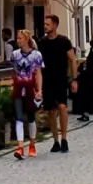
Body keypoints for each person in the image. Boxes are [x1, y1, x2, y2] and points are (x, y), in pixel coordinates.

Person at [37, 15, 76, 153]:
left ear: (55, 25)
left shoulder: (64, 41)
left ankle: (64, 138)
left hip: (61, 78)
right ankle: (55, 141)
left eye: (47, 24)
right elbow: (38, 64)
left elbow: (72, 59)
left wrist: (74, 79)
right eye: (44, 24)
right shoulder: (42, 42)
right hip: (48, 80)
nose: (45, 26)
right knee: (51, 111)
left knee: (62, 106)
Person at [5, 29, 45, 159]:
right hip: (18, 87)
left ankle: (32, 144)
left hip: (30, 87)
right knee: (18, 117)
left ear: (27, 40)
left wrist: (39, 90)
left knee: (31, 116)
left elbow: (38, 73)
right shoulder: (15, 54)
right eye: (17, 38)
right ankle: (20, 146)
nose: (18, 41)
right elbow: (13, 70)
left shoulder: (36, 55)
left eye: (20, 38)